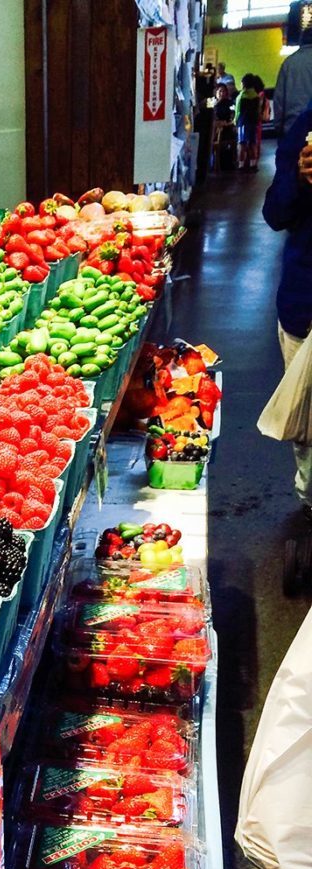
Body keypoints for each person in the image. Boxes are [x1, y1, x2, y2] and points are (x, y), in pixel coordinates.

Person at [262, 100, 312, 518]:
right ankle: (308, 502)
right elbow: (275, 213)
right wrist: (298, 175)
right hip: (304, 300)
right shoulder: (306, 129)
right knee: (308, 426)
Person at [273, 26, 312, 136]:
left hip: (293, 127)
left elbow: (279, 99)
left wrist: (278, 126)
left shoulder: (288, 63)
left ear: (301, 41)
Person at [234, 74, 262, 172]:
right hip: (253, 123)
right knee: (252, 143)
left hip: (243, 122)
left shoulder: (241, 96)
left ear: (244, 83)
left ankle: (241, 165)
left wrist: (235, 122)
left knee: (242, 143)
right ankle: (253, 164)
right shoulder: (256, 96)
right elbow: (258, 111)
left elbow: (238, 112)